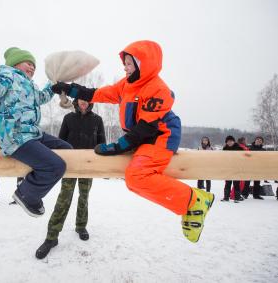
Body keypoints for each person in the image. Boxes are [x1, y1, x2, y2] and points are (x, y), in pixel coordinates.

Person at [51, 40, 214, 243]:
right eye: (125, 63)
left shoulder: (157, 89)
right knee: (133, 181)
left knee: (137, 177)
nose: (125, 67)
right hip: (142, 137)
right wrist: (69, 89)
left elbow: (147, 126)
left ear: (143, 63)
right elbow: (98, 94)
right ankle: (189, 203)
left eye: (129, 63)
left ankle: (194, 200)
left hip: (161, 136)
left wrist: (119, 146)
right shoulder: (126, 85)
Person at [0, 40, 72, 217]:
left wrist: (54, 85)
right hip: (15, 137)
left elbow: (41, 97)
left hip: (32, 134)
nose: (32, 68)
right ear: (15, 63)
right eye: (28, 63)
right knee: (55, 166)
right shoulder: (7, 77)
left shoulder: (29, 85)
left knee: (67, 150)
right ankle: (26, 193)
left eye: (34, 66)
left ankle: (35, 182)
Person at [36, 99, 106, 259]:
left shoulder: (97, 120)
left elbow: (102, 144)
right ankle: (51, 237)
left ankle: (81, 226)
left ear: (90, 102)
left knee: (84, 197)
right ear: (77, 101)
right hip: (70, 166)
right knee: (64, 198)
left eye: (87, 100)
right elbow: (60, 142)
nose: (84, 103)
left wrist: (101, 165)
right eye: (81, 100)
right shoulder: (69, 119)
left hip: (88, 167)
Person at [221, 136, 244, 203]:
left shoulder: (239, 148)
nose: (230, 142)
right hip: (228, 168)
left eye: (231, 141)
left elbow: (242, 157)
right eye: (228, 141)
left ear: (234, 141)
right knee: (227, 183)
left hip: (237, 168)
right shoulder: (225, 148)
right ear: (226, 142)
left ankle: (237, 198)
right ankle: (226, 197)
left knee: (236, 183)